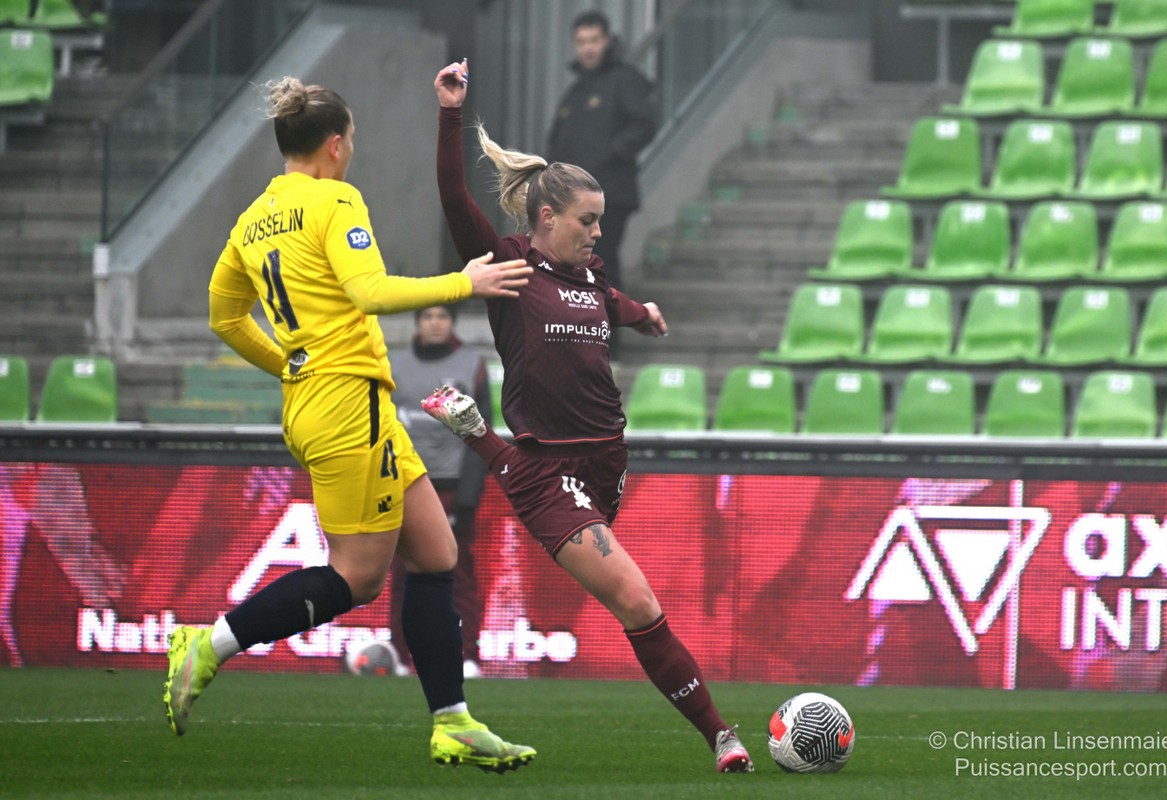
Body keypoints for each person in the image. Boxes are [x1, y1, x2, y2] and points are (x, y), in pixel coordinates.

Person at [163, 76, 537, 773]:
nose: (353, 151)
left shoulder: (252, 219)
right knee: (358, 578)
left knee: (436, 555)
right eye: (353, 140)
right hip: (346, 404)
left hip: (328, 400)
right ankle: (208, 645)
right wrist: (466, 281)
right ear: (335, 145)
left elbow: (224, 315)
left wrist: (288, 364)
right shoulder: (335, 200)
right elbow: (370, 291)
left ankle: (453, 723)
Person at [430, 60, 754, 773]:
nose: (598, 232)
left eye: (600, 220)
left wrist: (643, 315)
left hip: (605, 461)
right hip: (550, 472)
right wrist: (451, 112)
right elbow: (454, 195)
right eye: (589, 220)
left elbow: (608, 303)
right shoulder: (509, 266)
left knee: (633, 604)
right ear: (547, 218)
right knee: (638, 600)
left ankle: (477, 434)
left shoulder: (588, 276)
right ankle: (722, 736)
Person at [389, 304, 491, 679]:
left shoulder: (470, 365)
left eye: (442, 317)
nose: (435, 323)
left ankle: (466, 655)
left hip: (450, 486)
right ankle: (402, 657)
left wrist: (467, 498)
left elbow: (482, 434)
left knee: (457, 573)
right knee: (402, 575)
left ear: (452, 322)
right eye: (428, 317)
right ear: (417, 322)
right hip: (404, 484)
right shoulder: (392, 365)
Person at [545, 10, 657, 296]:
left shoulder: (624, 79)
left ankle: (611, 322)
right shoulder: (576, 91)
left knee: (599, 261)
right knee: (578, 265)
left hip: (609, 193)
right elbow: (557, 141)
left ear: (607, 40)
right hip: (573, 198)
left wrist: (610, 153)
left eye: (594, 40)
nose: (588, 48)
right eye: (581, 42)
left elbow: (644, 124)